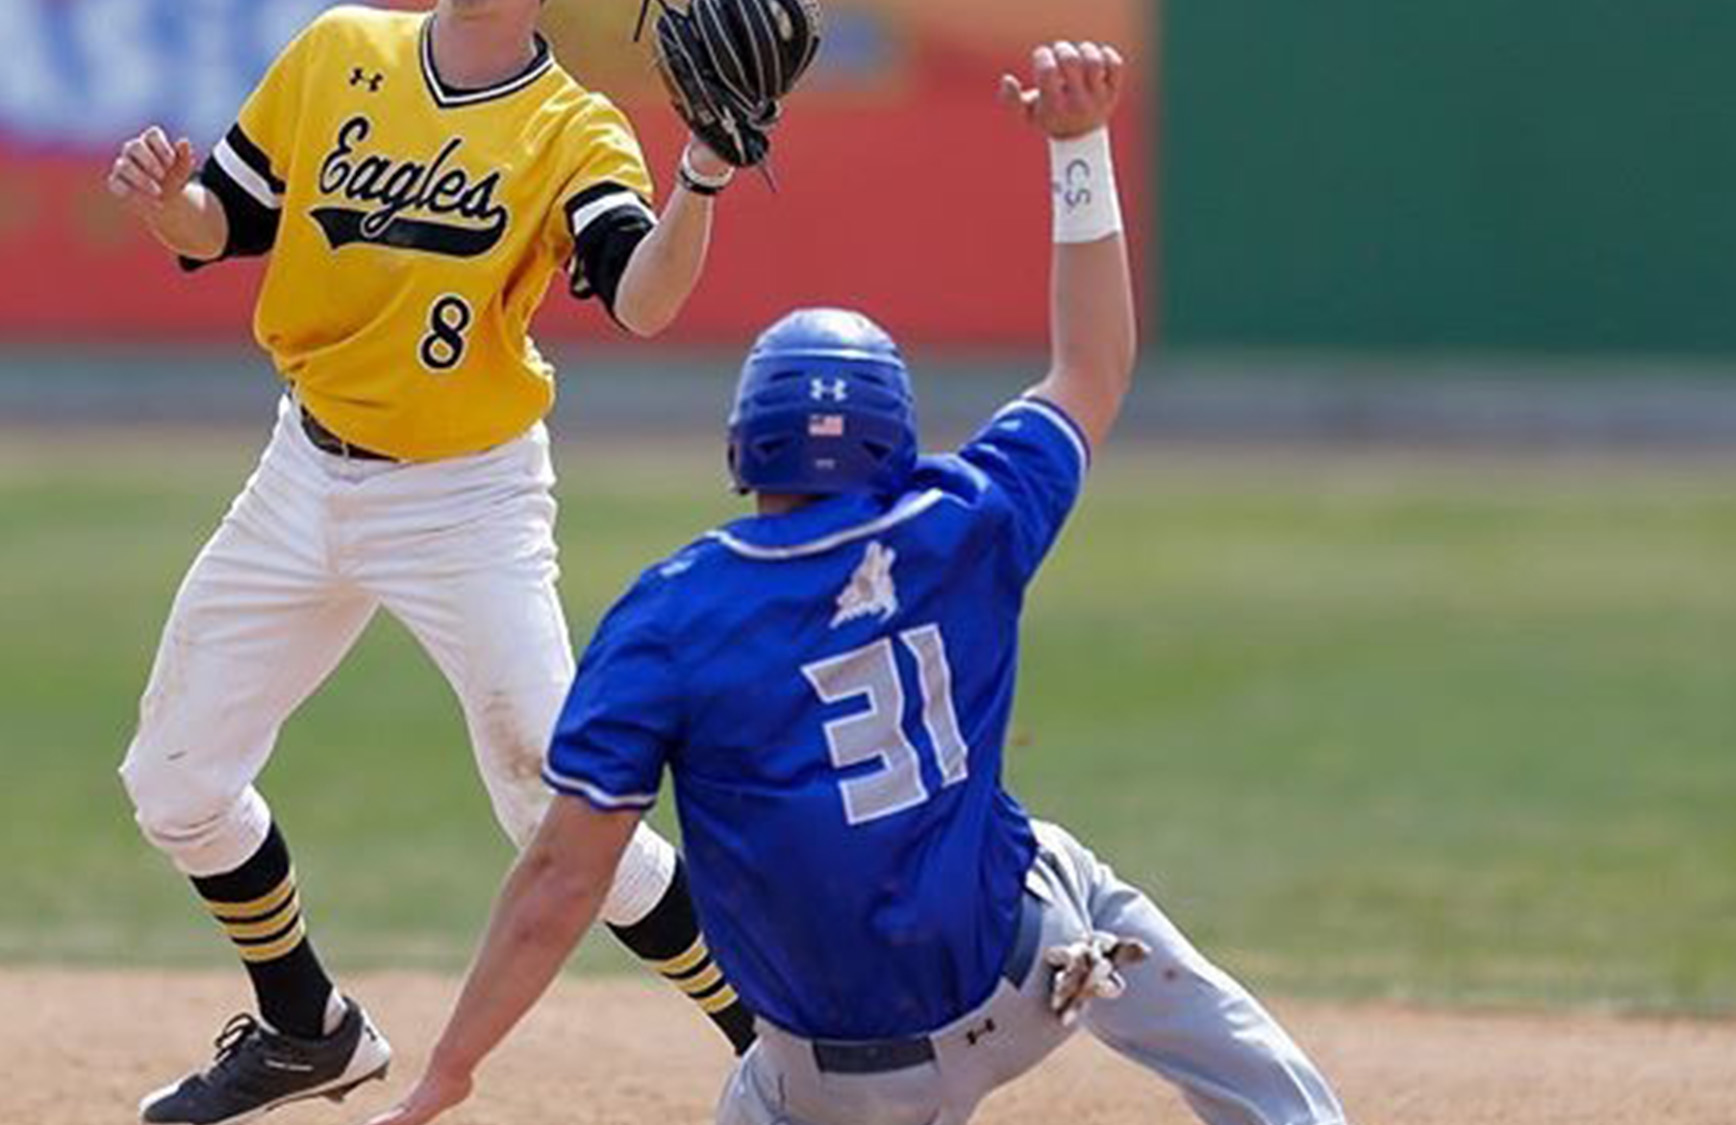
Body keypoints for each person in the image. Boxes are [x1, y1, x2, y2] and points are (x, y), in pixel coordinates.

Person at [369, 38, 1348, 1125]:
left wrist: (452, 1068)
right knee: (1071, 877)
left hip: (841, 1081)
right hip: (1031, 974)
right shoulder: (963, 516)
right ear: (894, 436)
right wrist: (1077, 147)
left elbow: (562, 877)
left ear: (744, 446)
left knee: (770, 1084)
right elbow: (1091, 368)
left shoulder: (672, 614)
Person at [102, 3, 773, 1122]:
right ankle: (307, 1028)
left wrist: (700, 175)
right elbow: (219, 220)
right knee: (173, 784)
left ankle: (775, 1037)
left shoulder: (570, 128)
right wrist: (166, 200)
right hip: (302, 470)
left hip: (464, 498)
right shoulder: (340, 51)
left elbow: (644, 300)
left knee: (555, 802)